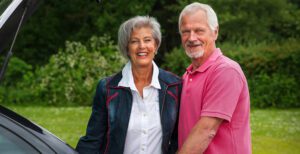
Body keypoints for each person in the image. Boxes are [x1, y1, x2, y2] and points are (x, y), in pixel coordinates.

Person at [76, 16, 181, 154]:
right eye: (134, 41)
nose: (142, 46)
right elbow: (94, 140)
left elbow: (178, 139)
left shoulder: (174, 86)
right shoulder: (107, 88)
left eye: (147, 40)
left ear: (156, 45)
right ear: (127, 48)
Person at [177, 2, 251, 154]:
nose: (191, 38)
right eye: (185, 31)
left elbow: (206, 130)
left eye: (199, 30)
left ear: (215, 32)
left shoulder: (226, 71)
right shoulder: (186, 75)